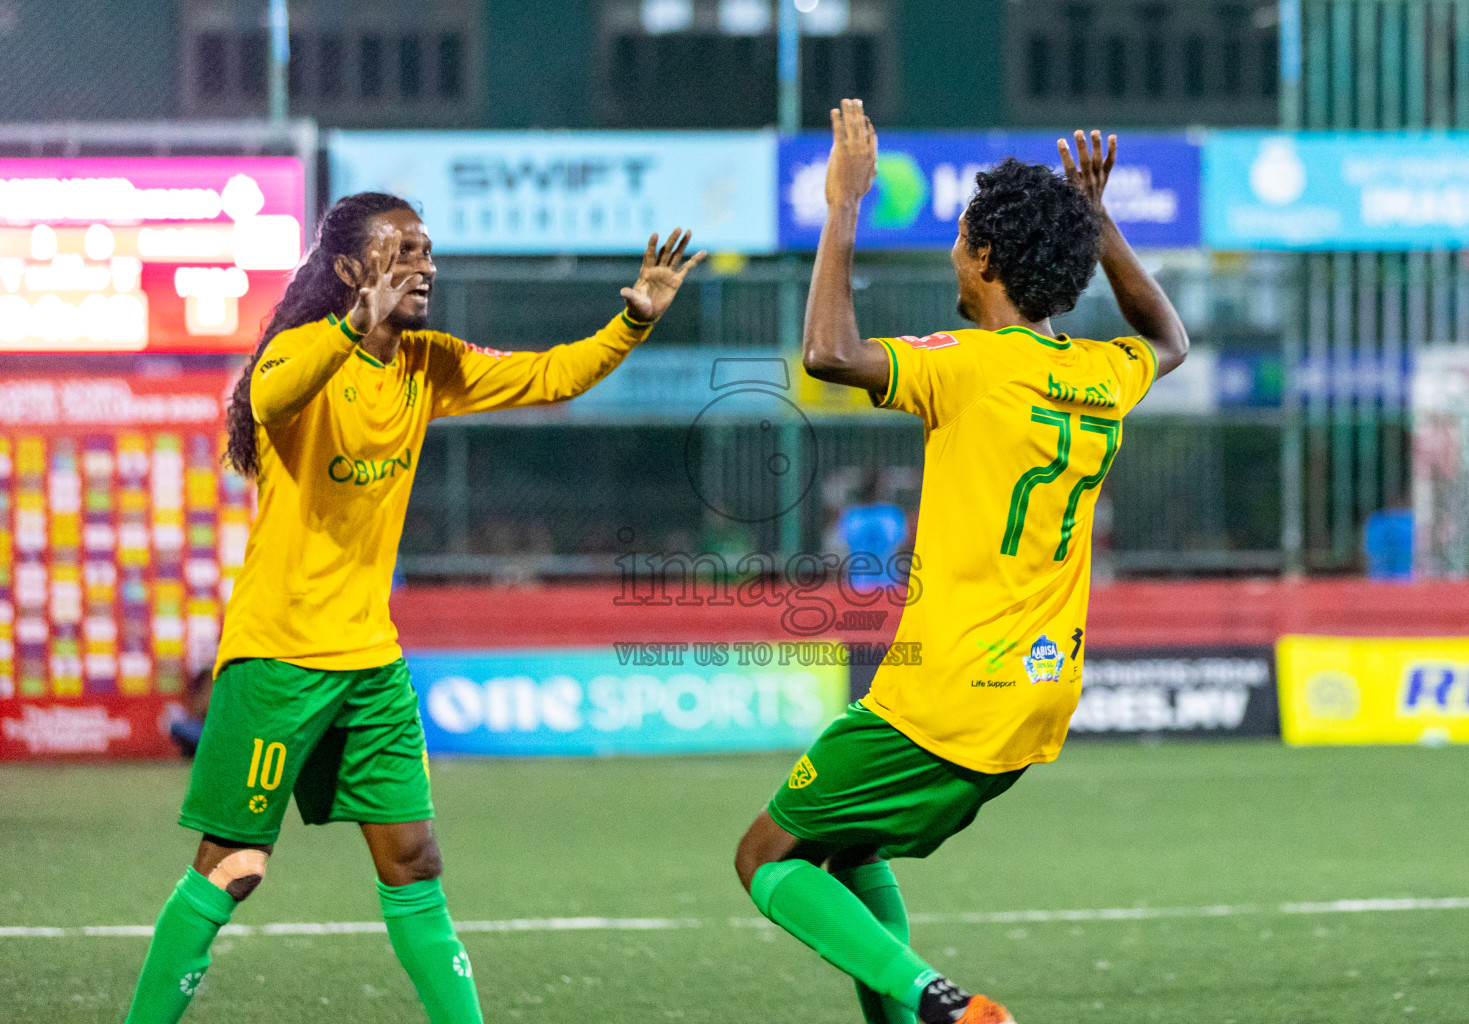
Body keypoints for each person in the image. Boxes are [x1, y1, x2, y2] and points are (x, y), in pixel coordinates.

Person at [123, 192, 704, 1024]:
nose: (426, 265)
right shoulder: (306, 354)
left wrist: (633, 323)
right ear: (354, 268)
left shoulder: (427, 362)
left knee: (413, 860)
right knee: (232, 867)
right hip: (280, 656)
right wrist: (350, 328)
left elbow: (547, 376)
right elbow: (267, 398)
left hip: (370, 662)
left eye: (429, 250)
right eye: (405, 250)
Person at [733, 101, 1188, 1024]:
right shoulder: (1102, 375)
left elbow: (826, 352)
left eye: (956, 236)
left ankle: (939, 1003)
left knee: (764, 857)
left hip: (943, 695)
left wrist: (844, 203)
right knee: (853, 845)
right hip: (1041, 693)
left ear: (984, 258)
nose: (950, 250)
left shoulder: (968, 364)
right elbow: (1171, 339)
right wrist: (1100, 228)